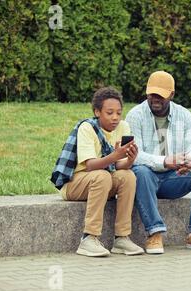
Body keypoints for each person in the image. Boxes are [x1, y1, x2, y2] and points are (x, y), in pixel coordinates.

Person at [125, 71, 191, 254]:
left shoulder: (185, 115)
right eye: (152, 94)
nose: (155, 99)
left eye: (160, 95)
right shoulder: (135, 115)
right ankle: (154, 234)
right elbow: (135, 155)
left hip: (175, 177)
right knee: (140, 171)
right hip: (147, 179)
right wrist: (165, 162)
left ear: (172, 95)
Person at [51, 87, 144, 257]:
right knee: (102, 176)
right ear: (97, 112)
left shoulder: (123, 127)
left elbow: (119, 166)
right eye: (109, 113)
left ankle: (122, 238)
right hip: (75, 183)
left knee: (128, 176)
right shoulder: (87, 128)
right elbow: (90, 165)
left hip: (102, 180)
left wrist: (130, 160)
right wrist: (115, 155)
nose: (115, 117)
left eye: (118, 112)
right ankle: (88, 239)